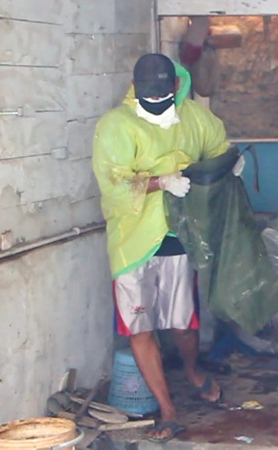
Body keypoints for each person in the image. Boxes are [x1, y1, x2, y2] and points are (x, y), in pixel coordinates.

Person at [92, 53, 240, 443]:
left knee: (183, 321)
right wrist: (160, 182)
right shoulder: (116, 125)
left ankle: (192, 371)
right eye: (148, 99)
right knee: (139, 327)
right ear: (137, 89)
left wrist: (229, 163)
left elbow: (218, 145)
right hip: (133, 242)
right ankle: (168, 409)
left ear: (176, 86)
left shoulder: (192, 117)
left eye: (164, 98)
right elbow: (113, 184)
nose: (157, 105)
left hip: (178, 236)